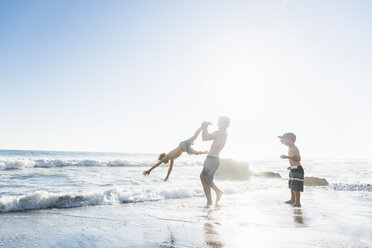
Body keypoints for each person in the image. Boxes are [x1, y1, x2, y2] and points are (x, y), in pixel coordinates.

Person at [143, 125, 208, 181]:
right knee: (197, 153)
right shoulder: (171, 159)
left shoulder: (167, 156)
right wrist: (167, 177)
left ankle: (201, 127)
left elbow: (157, 164)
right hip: (185, 148)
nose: (163, 162)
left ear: (163, 158)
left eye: (163, 161)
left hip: (183, 145)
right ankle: (205, 152)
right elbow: (170, 168)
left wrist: (149, 170)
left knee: (195, 137)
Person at [200, 116, 230, 205]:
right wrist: (205, 128)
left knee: (203, 179)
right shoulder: (225, 134)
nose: (217, 124)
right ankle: (217, 192)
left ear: (222, 123)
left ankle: (209, 202)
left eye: (219, 122)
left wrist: (204, 127)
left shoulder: (219, 133)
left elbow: (204, 138)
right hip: (215, 160)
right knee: (207, 179)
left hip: (211, 160)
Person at [278, 132, 304, 207]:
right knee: (292, 185)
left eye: (285, 140)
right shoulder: (290, 147)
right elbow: (283, 141)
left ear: (291, 140)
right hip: (292, 169)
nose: (283, 142)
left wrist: (287, 157)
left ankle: (298, 202)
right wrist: (281, 137)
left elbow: (298, 159)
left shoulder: (294, 148)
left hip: (297, 169)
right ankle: (292, 199)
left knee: (296, 186)